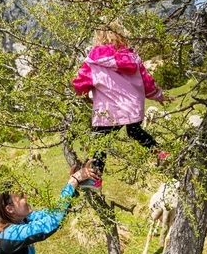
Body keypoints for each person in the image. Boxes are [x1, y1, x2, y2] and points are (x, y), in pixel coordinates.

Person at [72, 23, 175, 191]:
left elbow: (80, 84)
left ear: (98, 37)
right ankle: (161, 154)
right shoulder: (131, 56)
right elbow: (147, 81)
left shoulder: (93, 60)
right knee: (135, 131)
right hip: (131, 107)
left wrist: (86, 92)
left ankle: (95, 180)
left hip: (109, 110)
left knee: (101, 142)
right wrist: (159, 96)